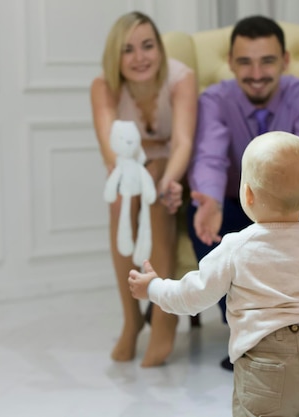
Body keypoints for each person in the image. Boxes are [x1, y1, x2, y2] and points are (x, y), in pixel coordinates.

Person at [128, 132, 299, 417]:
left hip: (265, 365)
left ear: (247, 194)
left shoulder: (236, 247)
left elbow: (192, 296)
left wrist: (153, 288)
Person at [186, 15, 299, 370]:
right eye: (245, 62)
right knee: (201, 215)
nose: (256, 73)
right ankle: (250, 338)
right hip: (238, 202)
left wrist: (280, 207)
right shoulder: (215, 100)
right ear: (231, 63)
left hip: (298, 203)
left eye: (267, 61)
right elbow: (209, 157)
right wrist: (210, 200)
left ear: (285, 60)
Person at [90, 11, 197, 367]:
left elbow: (182, 142)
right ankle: (132, 317)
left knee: (156, 193)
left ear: (159, 48)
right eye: (128, 49)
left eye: (148, 46)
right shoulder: (103, 86)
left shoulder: (181, 78)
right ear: (114, 57)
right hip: (128, 166)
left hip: (173, 165)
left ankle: (163, 316)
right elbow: (111, 151)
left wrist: (168, 179)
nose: (140, 58)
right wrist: (132, 178)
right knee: (120, 202)